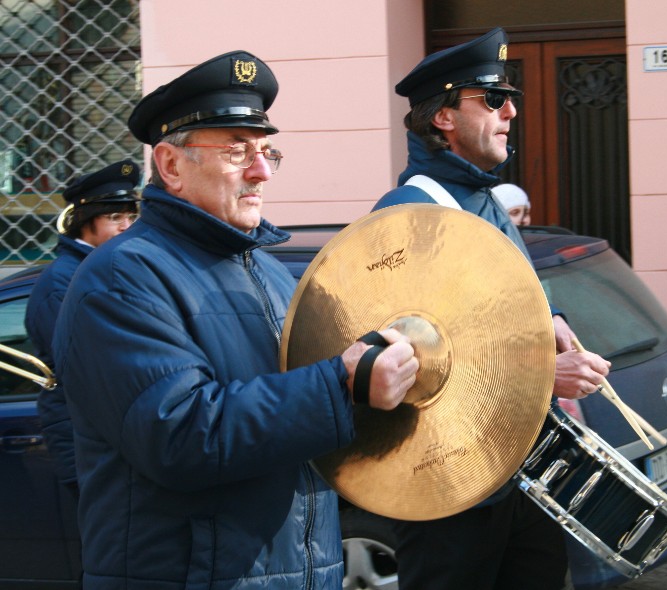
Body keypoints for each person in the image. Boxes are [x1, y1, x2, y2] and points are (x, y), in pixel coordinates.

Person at [51, 50, 419, 590]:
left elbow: (309, 422)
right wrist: (343, 386)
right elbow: (179, 436)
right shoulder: (122, 277)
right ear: (171, 165)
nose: (261, 170)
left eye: (266, 150)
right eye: (236, 150)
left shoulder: (271, 271)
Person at [373, 28, 611, 590]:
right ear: (444, 118)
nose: (511, 113)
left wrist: (555, 324)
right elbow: (416, 366)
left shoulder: (484, 199)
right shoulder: (411, 212)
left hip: (520, 471)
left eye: (512, 100)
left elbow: (516, 303)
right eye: (494, 100)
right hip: (449, 484)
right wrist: (541, 375)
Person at [25, 159, 141, 494]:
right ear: (85, 223)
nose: (126, 226)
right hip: (84, 442)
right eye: (114, 217)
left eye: (130, 217)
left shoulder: (107, 267)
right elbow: (89, 366)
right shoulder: (62, 283)